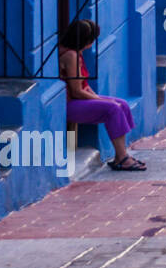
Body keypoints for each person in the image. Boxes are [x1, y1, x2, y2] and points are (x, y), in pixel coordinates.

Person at [60, 20, 144, 171]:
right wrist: (100, 100)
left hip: (78, 100)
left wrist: (103, 99)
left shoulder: (77, 54)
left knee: (122, 104)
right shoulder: (70, 55)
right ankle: (123, 158)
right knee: (112, 109)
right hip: (69, 105)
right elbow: (76, 91)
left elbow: (84, 85)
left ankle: (120, 155)